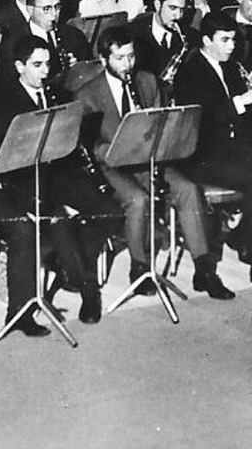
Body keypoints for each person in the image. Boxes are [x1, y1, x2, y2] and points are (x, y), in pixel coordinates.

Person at [74, 27, 234, 300]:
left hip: (149, 159)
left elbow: (163, 125)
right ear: (104, 60)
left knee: (188, 190)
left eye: (131, 57)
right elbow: (87, 146)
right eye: (119, 58)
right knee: (137, 200)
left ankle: (203, 269)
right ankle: (139, 269)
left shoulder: (147, 82)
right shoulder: (86, 94)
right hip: (113, 166)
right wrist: (113, 151)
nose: (127, 65)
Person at [0, 33, 110, 332]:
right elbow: (4, 155)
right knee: (58, 220)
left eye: (47, 64)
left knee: (110, 211)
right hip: (22, 180)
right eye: (37, 65)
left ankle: (67, 260)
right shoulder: (2, 101)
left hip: (60, 173)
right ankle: (86, 288)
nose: (45, 71)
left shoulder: (57, 93)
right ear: (19, 66)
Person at [170, 10, 252, 289]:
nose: (231, 46)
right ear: (206, 40)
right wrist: (244, 99)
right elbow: (203, 118)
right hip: (201, 154)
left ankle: (243, 236)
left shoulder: (229, 64)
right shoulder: (190, 71)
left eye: (233, 40)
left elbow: (243, 114)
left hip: (232, 148)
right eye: (225, 40)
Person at [129, 0, 194, 83]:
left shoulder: (189, 36)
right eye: (172, 8)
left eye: (182, 10)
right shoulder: (134, 32)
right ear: (157, 5)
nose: (178, 16)